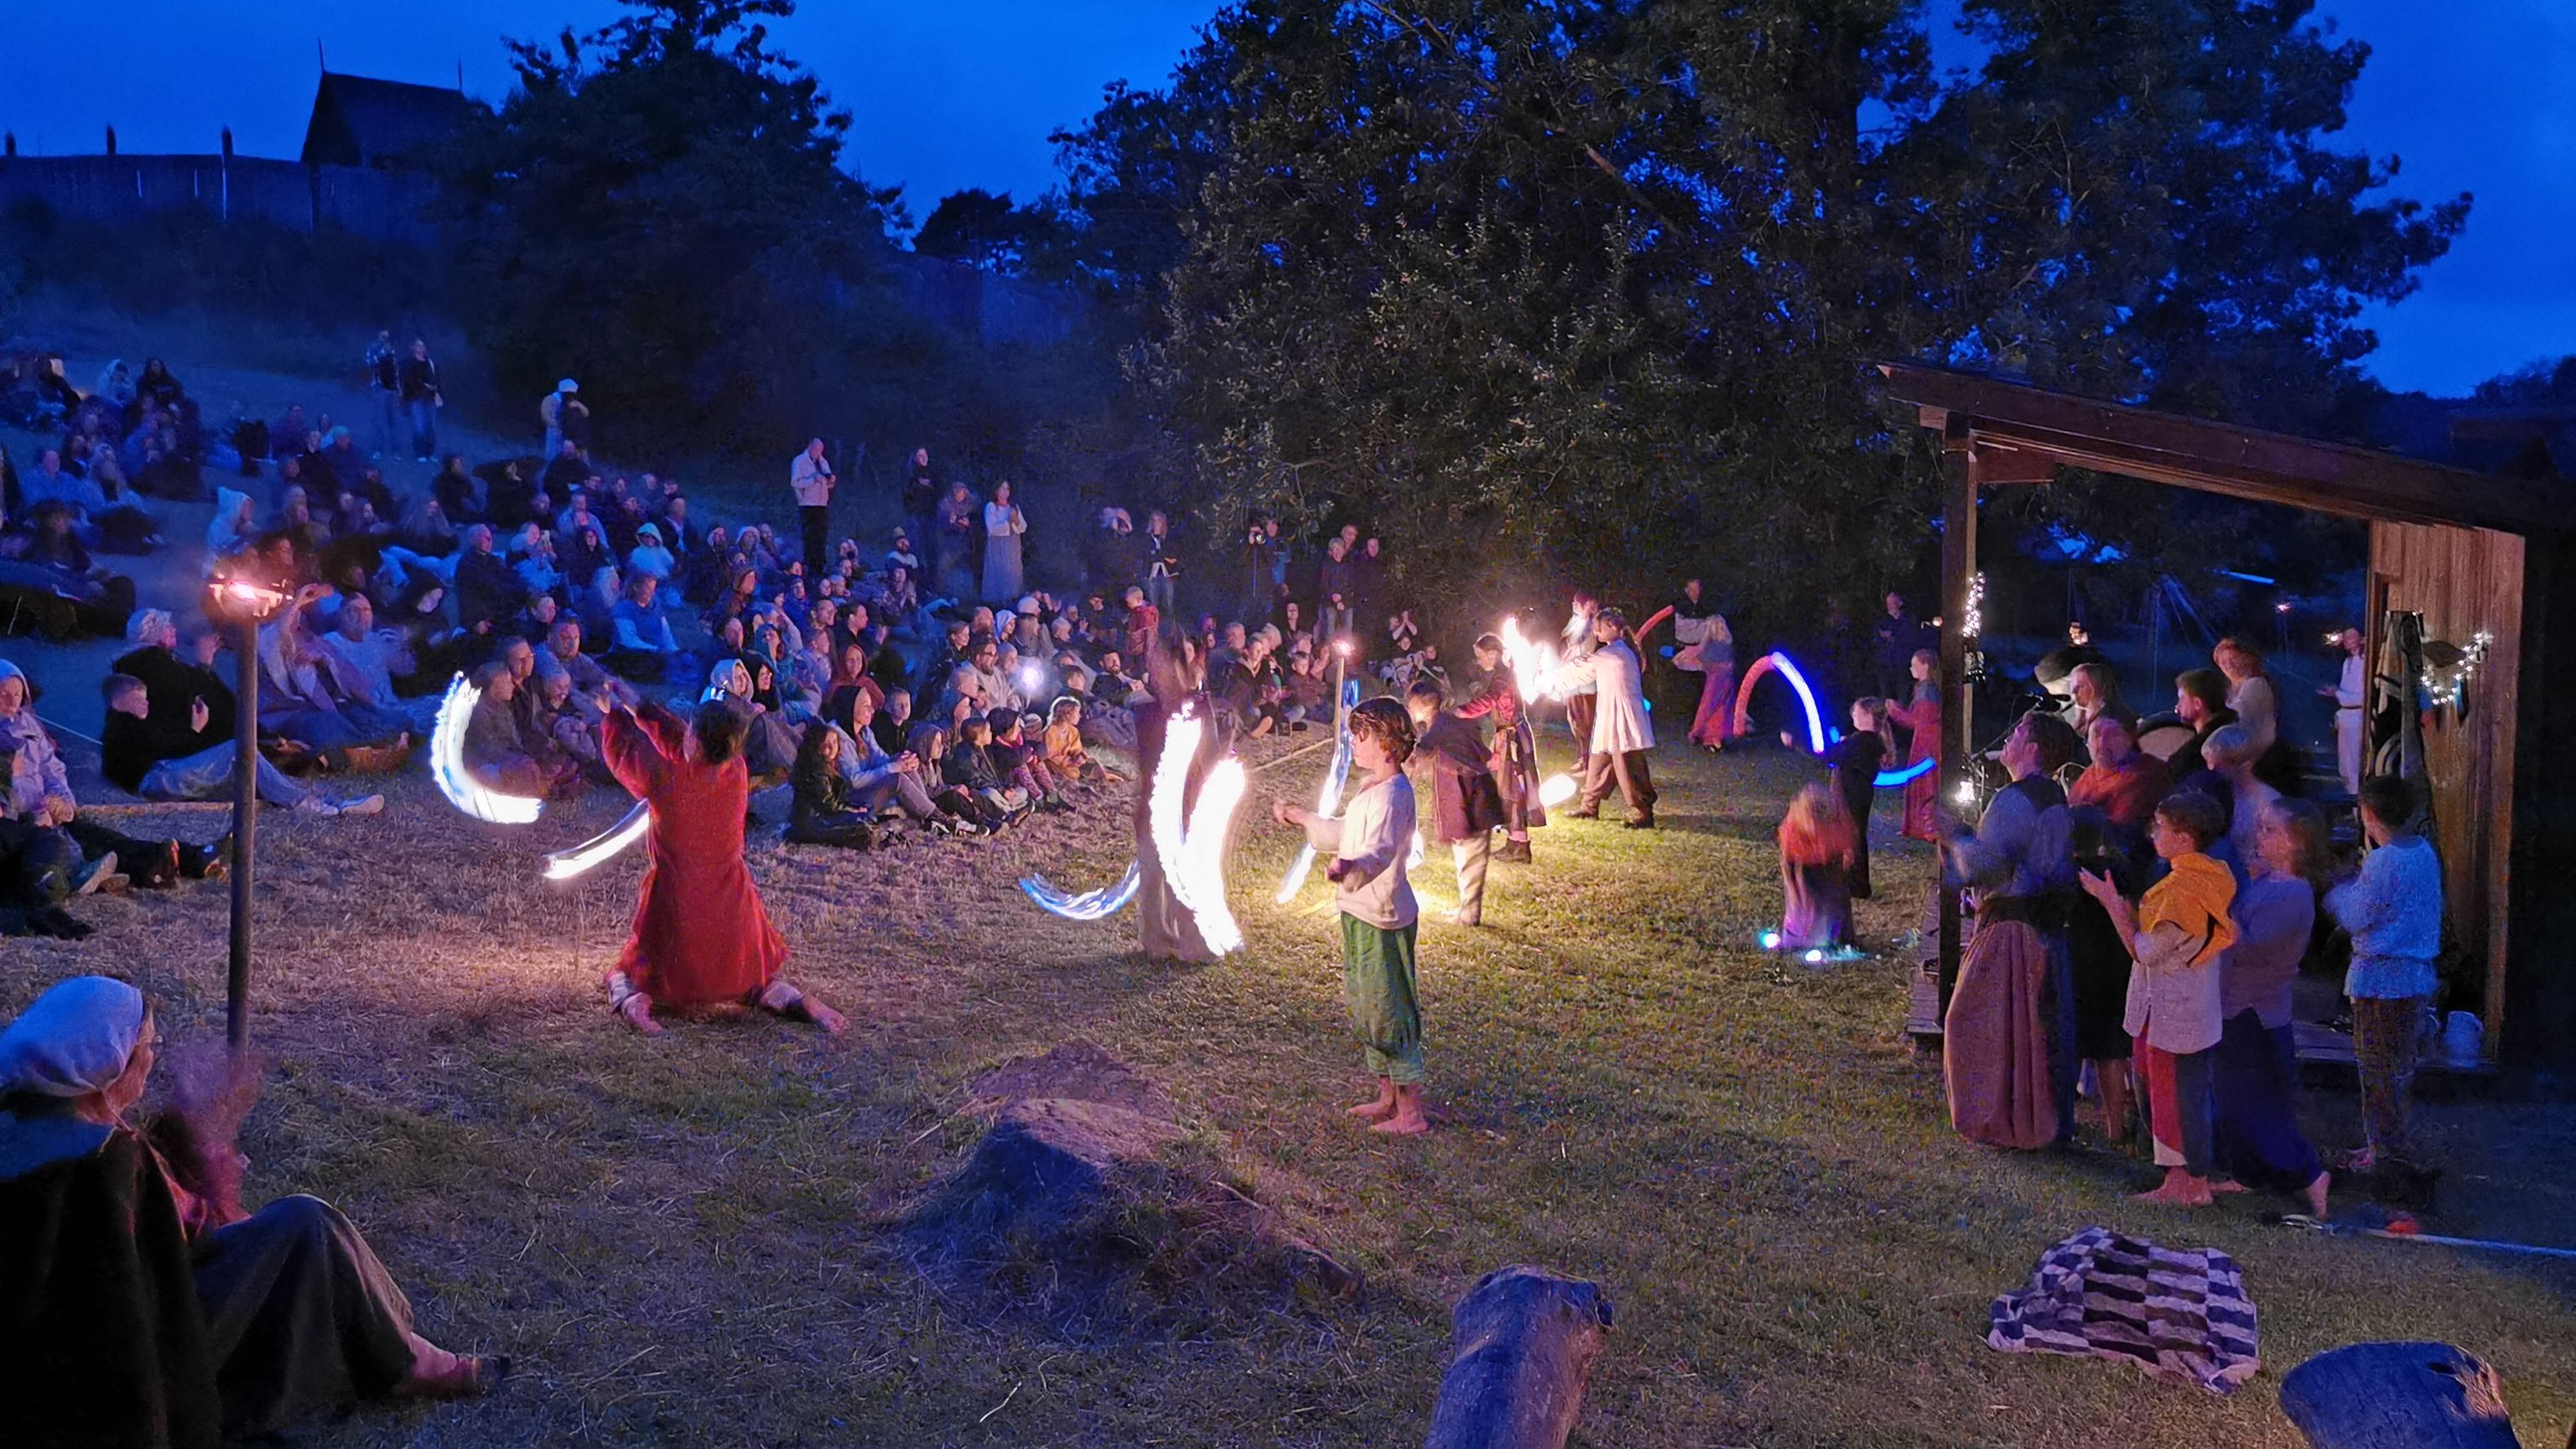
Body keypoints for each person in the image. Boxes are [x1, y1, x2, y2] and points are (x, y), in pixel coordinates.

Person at [0, 977, 505, 1444]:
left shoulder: (18, 1123)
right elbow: (186, 1241)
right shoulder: (107, 1156)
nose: (153, 1060)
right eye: (148, 1048)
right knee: (305, 1223)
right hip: (142, 1349)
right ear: (112, 1062)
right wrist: (213, 1156)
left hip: (41, 1363)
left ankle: (400, 1347)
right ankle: (410, 1364)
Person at [599, 699, 846, 1036]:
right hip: (733, 911)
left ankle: (632, 1002)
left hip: (679, 909)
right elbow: (678, 744)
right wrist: (638, 705)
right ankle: (792, 999)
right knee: (755, 981)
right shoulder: (737, 770)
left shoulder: (666, 777)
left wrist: (613, 715)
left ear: (695, 742)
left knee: (624, 973)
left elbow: (622, 758)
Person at [1274, 698, 1427, 1135]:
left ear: (1388, 744)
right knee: (1365, 1004)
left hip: (1383, 916)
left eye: (1362, 737)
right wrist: (1302, 817)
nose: (1354, 744)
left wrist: (1352, 868)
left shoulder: (1395, 795)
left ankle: (1410, 1112)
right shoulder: (1370, 789)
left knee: (1389, 1009)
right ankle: (1386, 1096)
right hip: (1357, 912)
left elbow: (1378, 849)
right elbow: (1345, 832)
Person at [2079, 791, 2237, 1207]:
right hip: (2186, 1005)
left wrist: (2111, 903)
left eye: (2162, 828)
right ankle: (2185, 1179)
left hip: (2174, 1010)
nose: (2155, 834)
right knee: (2178, 1091)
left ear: (2185, 838)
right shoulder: (2211, 875)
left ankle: (2186, 1183)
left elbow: (2145, 951)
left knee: (2173, 1096)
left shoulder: (2183, 892)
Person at [1940, 711, 2080, 1150]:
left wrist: (1955, 836)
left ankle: (2004, 1119)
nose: (2009, 737)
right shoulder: (2051, 795)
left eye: (2018, 731)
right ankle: (2028, 1117)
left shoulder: (2017, 800)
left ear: (2033, 748)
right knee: (2034, 1030)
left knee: (1978, 1022)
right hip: (2041, 926)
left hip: (2013, 931)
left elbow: (1985, 863)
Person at [2213, 798, 2332, 1215]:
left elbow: (2252, 946)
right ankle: (2248, 1173)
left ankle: (2310, 1173)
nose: (2259, 837)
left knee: (2255, 1102)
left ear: (2297, 843)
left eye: (2270, 831)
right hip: (2236, 1005)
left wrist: (2216, 909)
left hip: (2256, 1012)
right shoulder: (2269, 882)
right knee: (2231, 1097)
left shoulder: (2294, 894)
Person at [2324, 775, 2441, 1171]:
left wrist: (2336, 892)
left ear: (2369, 814)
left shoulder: (2384, 860)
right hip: (2414, 978)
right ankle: (2389, 1147)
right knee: (2398, 1071)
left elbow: (2358, 916)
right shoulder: (2424, 853)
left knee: (2376, 1072)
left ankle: (2383, 1154)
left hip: (2381, 981)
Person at [1405, 679, 1506, 927]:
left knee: (1471, 855)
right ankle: (1466, 909)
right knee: (1465, 853)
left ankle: (1470, 915)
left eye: (1410, 703)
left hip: (1473, 797)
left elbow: (1420, 754)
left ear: (1421, 704)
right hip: (1469, 794)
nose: (1408, 707)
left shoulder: (1441, 726)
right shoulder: (1447, 722)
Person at [1550, 606, 1657, 828]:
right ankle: (1589, 806)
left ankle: (1642, 812)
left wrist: (1549, 679)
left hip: (1622, 717)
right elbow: (1585, 670)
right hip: (1612, 713)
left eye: (1599, 628)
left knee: (1627, 765)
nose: (1596, 633)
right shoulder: (1616, 652)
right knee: (1600, 759)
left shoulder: (1614, 655)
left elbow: (1582, 668)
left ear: (1613, 628)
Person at [1456, 631, 1543, 863]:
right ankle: (1514, 843)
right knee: (1509, 791)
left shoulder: (1502, 677)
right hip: (1509, 736)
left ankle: (1521, 847)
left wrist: (1461, 712)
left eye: (1481, 656)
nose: (1479, 660)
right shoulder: (1501, 675)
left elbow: (1489, 700)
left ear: (1492, 653)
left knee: (1514, 791)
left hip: (1513, 739)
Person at [1777, 782, 1857, 951]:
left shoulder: (1836, 823)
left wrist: (1846, 854)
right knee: (1802, 903)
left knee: (1833, 902)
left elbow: (1846, 842)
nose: (1813, 826)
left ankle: (1837, 939)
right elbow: (1787, 862)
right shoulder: (1792, 827)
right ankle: (1797, 939)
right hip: (1802, 865)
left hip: (1829, 864)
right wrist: (1792, 886)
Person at [1831, 698, 1891, 900]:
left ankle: (1857, 886)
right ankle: (1854, 883)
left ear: (1867, 716)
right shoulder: (1868, 741)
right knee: (1854, 837)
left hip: (1852, 796)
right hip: (1859, 795)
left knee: (1852, 838)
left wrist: (1796, 742)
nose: (1853, 716)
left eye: (1856, 713)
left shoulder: (1861, 742)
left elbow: (1830, 756)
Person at [785, 724, 882, 849]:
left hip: (816, 820)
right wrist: (853, 810)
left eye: (835, 742)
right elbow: (829, 805)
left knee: (865, 815)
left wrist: (853, 808)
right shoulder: (816, 769)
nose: (832, 747)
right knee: (860, 823)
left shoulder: (827, 766)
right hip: (813, 823)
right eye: (827, 743)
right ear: (817, 746)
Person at [1884, 649, 1940, 843]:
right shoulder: (1923, 688)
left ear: (1924, 665)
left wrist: (1894, 711)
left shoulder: (1927, 690)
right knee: (1919, 782)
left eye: (1914, 664)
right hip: (1924, 740)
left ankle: (1929, 828)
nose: (1911, 668)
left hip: (1928, 743)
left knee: (1926, 783)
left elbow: (1918, 720)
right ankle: (1917, 827)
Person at [2322, 626, 2366, 796]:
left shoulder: (2365, 662)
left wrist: (2338, 693)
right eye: (2345, 637)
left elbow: (2362, 696)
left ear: (2361, 639)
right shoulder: (2347, 662)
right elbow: (2346, 690)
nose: (2346, 640)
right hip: (2345, 717)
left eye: (2351, 637)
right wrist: (2334, 693)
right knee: (2345, 763)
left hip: (2357, 717)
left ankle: (2357, 805)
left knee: (2355, 760)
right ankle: (2350, 801)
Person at [790, 438, 836, 579]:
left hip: (822, 504)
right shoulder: (799, 461)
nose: (818, 452)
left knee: (821, 537)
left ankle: (820, 567)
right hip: (808, 504)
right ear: (810, 447)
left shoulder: (823, 462)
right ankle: (809, 568)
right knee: (810, 537)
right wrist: (813, 479)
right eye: (816, 449)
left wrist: (831, 482)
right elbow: (794, 482)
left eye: (821, 450)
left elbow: (826, 483)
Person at [979, 480, 1029, 606]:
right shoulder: (991, 507)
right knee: (998, 570)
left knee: (1012, 571)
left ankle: (1013, 598)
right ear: (996, 491)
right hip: (997, 545)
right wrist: (1008, 522)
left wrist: (1016, 521)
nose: (1005, 492)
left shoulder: (1014, 507)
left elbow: (1023, 526)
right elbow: (992, 528)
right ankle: (996, 601)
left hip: (1012, 544)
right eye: (1002, 488)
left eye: (1007, 489)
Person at [396, 339, 441, 461]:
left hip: (430, 399)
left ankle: (430, 452)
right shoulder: (408, 362)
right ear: (413, 348)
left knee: (430, 427)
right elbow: (406, 380)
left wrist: (436, 391)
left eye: (422, 346)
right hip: (415, 399)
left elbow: (436, 378)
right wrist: (420, 386)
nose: (421, 348)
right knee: (418, 427)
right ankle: (420, 453)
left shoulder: (429, 362)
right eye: (418, 346)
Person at [363, 330, 403, 456]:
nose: (385, 337)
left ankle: (396, 449)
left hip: (392, 389)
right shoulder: (373, 348)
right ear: (378, 335)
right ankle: (378, 449)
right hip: (379, 388)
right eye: (383, 335)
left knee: (394, 420)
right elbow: (369, 363)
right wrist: (382, 352)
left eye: (387, 336)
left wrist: (399, 387)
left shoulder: (392, 350)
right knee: (379, 420)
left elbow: (395, 369)